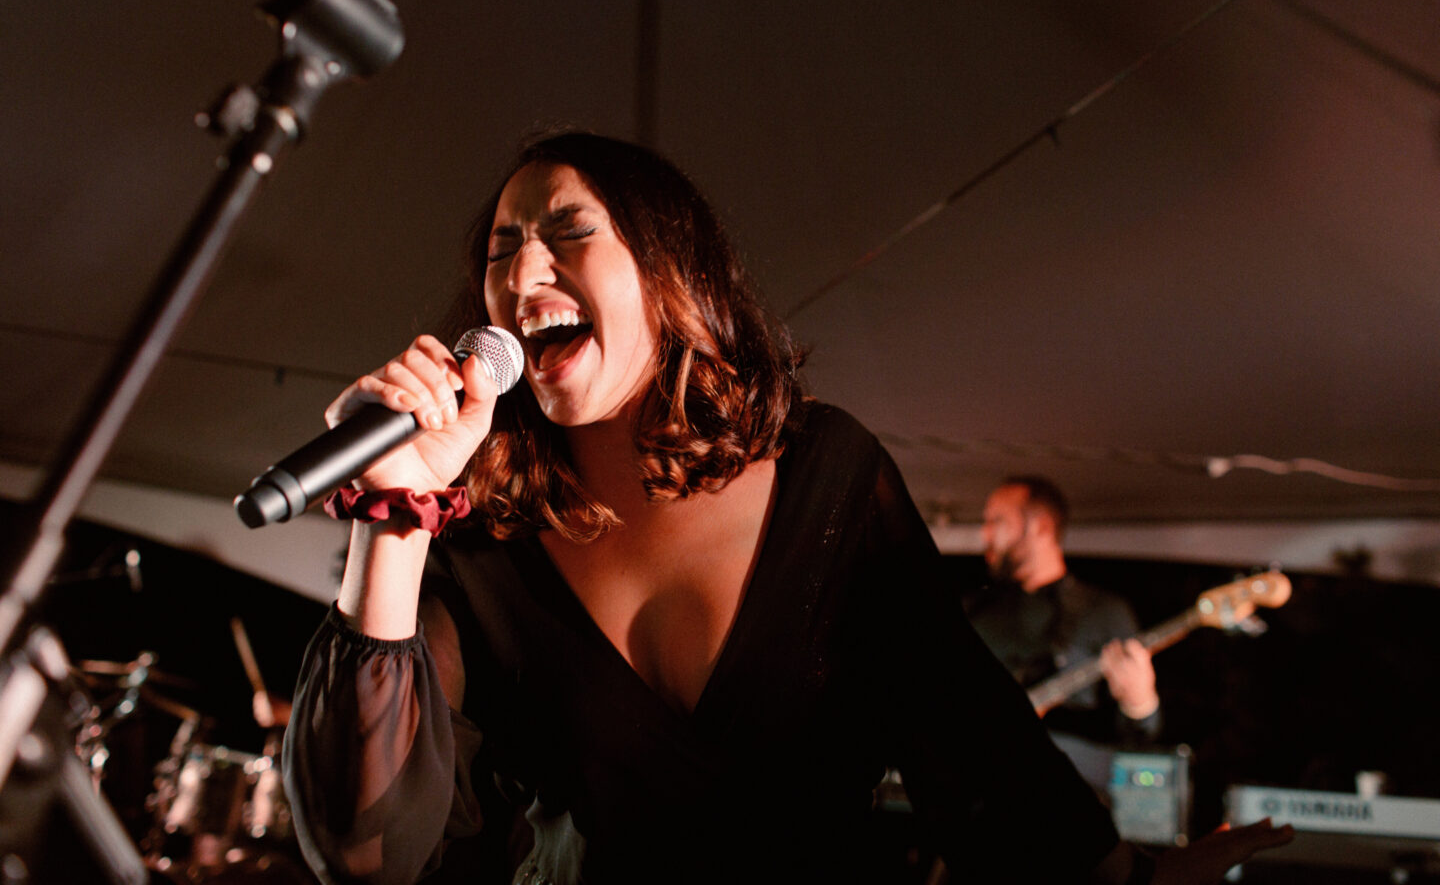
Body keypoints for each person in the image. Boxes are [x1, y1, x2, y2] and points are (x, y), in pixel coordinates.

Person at [280, 132, 1290, 884]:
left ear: (668, 272)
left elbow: (968, 732)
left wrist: (1127, 877)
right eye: (502, 250)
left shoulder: (826, 478)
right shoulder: (482, 539)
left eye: (567, 233)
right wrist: (393, 512)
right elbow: (363, 850)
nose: (520, 273)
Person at [966, 476, 1162, 758]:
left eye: (997, 521)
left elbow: (1140, 738)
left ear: (1042, 527)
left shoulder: (1103, 611)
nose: (985, 534)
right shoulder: (975, 610)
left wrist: (1140, 702)